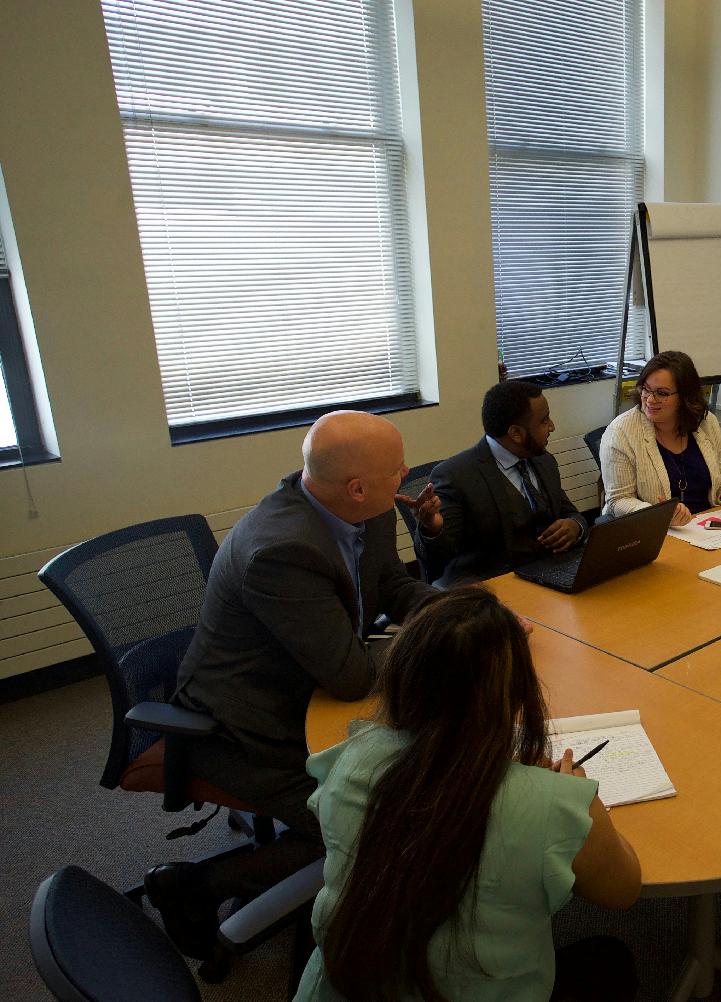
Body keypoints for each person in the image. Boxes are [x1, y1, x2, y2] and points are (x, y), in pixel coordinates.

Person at [150, 411, 441, 960]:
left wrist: (462, 614)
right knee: (379, 822)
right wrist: (440, 644)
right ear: (356, 486)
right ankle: (192, 886)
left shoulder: (356, 506)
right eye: (396, 471)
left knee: (418, 769)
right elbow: (352, 677)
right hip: (242, 729)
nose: (405, 476)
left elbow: (391, 583)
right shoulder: (281, 550)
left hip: (307, 688)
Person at [293, 588, 642, 1002]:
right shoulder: (556, 805)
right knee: (611, 961)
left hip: (340, 988)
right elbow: (623, 891)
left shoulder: (351, 757)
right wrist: (580, 795)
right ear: (516, 696)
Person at [417, 381, 587, 586]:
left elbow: (571, 512)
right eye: (544, 421)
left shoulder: (544, 461)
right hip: (495, 588)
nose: (552, 426)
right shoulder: (455, 475)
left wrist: (574, 526)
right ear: (516, 433)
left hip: (551, 576)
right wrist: (432, 529)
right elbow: (438, 560)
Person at [600, 350, 721, 526]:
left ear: (684, 396)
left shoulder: (706, 422)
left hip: (708, 526)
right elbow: (618, 501)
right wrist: (660, 514)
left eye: (661, 393)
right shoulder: (621, 432)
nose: (650, 400)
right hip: (655, 530)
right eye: (646, 389)